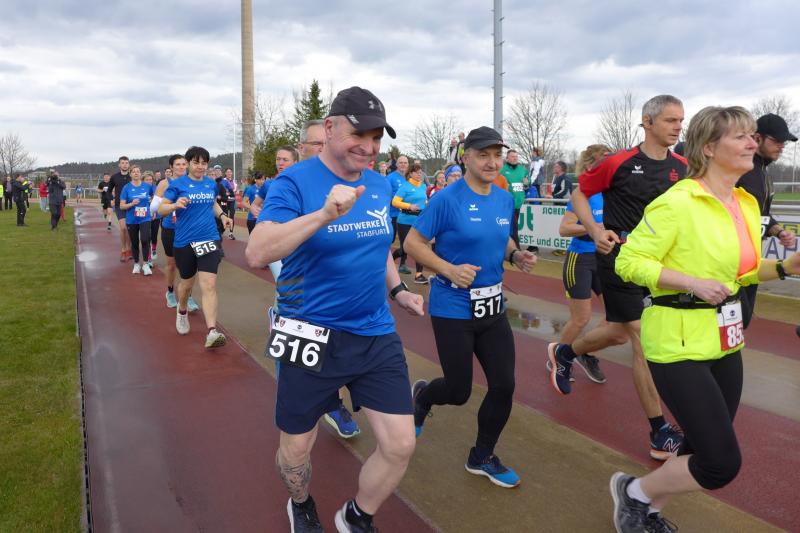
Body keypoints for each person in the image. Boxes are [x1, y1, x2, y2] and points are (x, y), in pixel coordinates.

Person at [609, 105, 800, 533]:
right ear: (709, 148)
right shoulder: (677, 202)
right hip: (676, 343)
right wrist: (690, 282)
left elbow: (742, 274)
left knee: (699, 445)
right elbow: (628, 262)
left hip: (725, 340)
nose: (752, 143)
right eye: (741, 136)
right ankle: (633, 492)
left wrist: (787, 268)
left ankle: (645, 509)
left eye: (753, 135)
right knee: (720, 463)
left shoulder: (745, 203)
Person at [245, 86, 424, 533]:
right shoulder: (294, 182)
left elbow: (378, 246)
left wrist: (398, 289)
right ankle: (301, 503)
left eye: (377, 138)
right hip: (310, 332)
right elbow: (257, 251)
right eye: (359, 134)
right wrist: (324, 215)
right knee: (296, 451)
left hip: (374, 332)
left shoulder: (378, 183)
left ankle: (356, 516)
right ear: (329, 128)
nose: (369, 146)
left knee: (400, 444)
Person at [548, 95, 688, 461]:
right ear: (647, 122)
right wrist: (595, 230)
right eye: (670, 120)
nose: (677, 127)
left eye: (680, 120)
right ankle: (659, 432)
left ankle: (566, 352)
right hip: (619, 259)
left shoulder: (683, 167)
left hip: (657, 265)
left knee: (618, 332)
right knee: (642, 337)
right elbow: (580, 193)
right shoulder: (619, 162)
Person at [404, 126, 537, 488]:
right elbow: (413, 244)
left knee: (504, 385)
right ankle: (423, 397)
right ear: (466, 158)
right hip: (453, 307)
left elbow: (502, 237)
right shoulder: (446, 200)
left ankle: (482, 456)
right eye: (483, 155)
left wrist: (515, 254)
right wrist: (448, 269)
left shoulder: (503, 198)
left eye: (497, 155)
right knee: (458, 391)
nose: (492, 162)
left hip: (492, 307)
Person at [549, 145, 627, 384]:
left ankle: (585, 352)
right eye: (605, 161)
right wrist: (593, 228)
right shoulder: (584, 192)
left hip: (606, 259)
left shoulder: (615, 193)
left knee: (616, 318)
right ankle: (557, 359)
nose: (610, 166)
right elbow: (564, 228)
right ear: (592, 164)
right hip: (580, 259)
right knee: (581, 318)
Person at [158, 147, 232, 348]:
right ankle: (182, 310)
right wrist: (174, 205)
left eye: (204, 163)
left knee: (209, 284)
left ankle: (212, 331)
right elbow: (161, 209)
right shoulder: (177, 185)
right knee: (187, 284)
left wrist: (222, 216)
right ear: (189, 163)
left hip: (209, 238)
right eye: (196, 162)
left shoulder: (211, 184)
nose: (200, 166)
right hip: (184, 242)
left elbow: (212, 204)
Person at [736, 113, 798, 328]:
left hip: (752, 257)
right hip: (732, 259)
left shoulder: (762, 171)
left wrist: (779, 231)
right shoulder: (741, 168)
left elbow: (760, 214)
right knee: (733, 321)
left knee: (742, 321)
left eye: (784, 142)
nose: (781, 146)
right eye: (777, 140)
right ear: (757, 138)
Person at [151, 154, 199, 311]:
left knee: (189, 266)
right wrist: (170, 203)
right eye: (178, 164)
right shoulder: (164, 184)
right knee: (172, 265)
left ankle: (188, 296)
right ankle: (170, 292)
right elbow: (154, 208)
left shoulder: (192, 182)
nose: (181, 167)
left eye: (184, 164)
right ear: (171, 167)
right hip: (170, 228)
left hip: (188, 228)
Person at [391, 162, 428, 284]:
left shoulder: (423, 186)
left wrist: (426, 204)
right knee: (405, 249)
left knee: (419, 246)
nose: (419, 174)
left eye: (420, 172)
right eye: (416, 172)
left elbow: (423, 200)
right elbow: (395, 202)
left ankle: (418, 275)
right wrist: (409, 206)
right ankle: (391, 259)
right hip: (405, 220)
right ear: (411, 174)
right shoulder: (405, 186)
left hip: (419, 221)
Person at [119, 166, 155, 276]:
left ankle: (145, 264)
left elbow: (154, 197)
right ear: (130, 174)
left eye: (138, 171)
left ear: (140, 174)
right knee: (134, 242)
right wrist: (131, 204)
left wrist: (152, 208)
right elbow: (121, 206)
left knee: (145, 239)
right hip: (132, 219)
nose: (136, 173)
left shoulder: (147, 186)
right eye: (133, 172)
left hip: (145, 218)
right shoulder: (126, 188)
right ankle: (136, 263)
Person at [107, 156, 132, 262]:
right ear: (119, 165)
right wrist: (111, 199)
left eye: (126, 163)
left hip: (131, 205)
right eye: (123, 163)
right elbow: (108, 191)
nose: (125, 165)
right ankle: (123, 249)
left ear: (129, 164)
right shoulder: (114, 177)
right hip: (119, 205)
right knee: (123, 228)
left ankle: (130, 249)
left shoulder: (132, 176)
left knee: (130, 229)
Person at [501, 149, 528, 247]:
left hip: (518, 203)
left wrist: (526, 184)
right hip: (507, 204)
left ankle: (509, 247)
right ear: (507, 158)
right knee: (513, 227)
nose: (515, 158)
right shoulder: (502, 170)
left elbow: (527, 182)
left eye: (516, 156)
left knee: (512, 227)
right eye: (512, 156)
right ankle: (516, 249)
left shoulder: (523, 169)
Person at [386, 155, 409, 243]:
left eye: (405, 163)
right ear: (396, 164)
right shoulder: (390, 178)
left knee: (406, 241)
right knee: (390, 240)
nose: (403, 165)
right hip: (393, 214)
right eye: (401, 163)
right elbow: (385, 195)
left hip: (407, 214)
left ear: (408, 164)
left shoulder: (409, 178)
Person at [221, 168, 237, 239]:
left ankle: (231, 233)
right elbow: (223, 190)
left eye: (230, 172)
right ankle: (221, 231)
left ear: (232, 173)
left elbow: (234, 191)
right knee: (224, 215)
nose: (229, 173)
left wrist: (232, 192)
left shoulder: (234, 182)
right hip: (225, 201)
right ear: (225, 173)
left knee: (232, 216)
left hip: (232, 201)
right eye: (227, 172)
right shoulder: (223, 181)